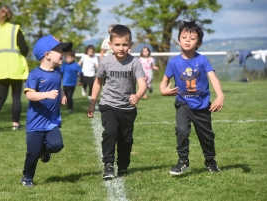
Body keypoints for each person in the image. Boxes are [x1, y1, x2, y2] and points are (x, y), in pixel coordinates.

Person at [160, 21, 224, 175]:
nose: (187, 40)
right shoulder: (174, 62)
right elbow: (164, 82)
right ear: (179, 40)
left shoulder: (202, 60)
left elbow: (213, 78)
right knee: (181, 130)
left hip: (202, 106)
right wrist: (164, 91)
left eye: (192, 38)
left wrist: (220, 95)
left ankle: (210, 161)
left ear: (199, 43)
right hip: (183, 104)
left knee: (207, 137)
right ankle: (183, 161)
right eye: (184, 37)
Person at [87, 24, 147, 180]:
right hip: (108, 105)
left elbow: (142, 84)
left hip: (128, 108)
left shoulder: (134, 63)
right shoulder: (105, 62)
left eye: (124, 44)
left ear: (130, 45)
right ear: (110, 45)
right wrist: (93, 102)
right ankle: (108, 165)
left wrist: (138, 95)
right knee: (110, 133)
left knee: (126, 139)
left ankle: (123, 166)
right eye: (117, 44)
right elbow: (98, 82)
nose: (121, 48)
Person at [21, 35, 72, 187]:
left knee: (57, 145)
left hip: (51, 121)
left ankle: (45, 150)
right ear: (47, 55)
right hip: (36, 122)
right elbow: (29, 94)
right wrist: (47, 95)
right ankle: (27, 177)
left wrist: (62, 94)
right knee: (32, 154)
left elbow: (58, 86)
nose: (62, 54)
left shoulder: (58, 71)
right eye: (59, 51)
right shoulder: (35, 74)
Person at [0, 5, 29, 131]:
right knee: (16, 97)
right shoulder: (15, 29)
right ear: (10, 15)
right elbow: (24, 49)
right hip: (15, 67)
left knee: (1, 96)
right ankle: (15, 124)